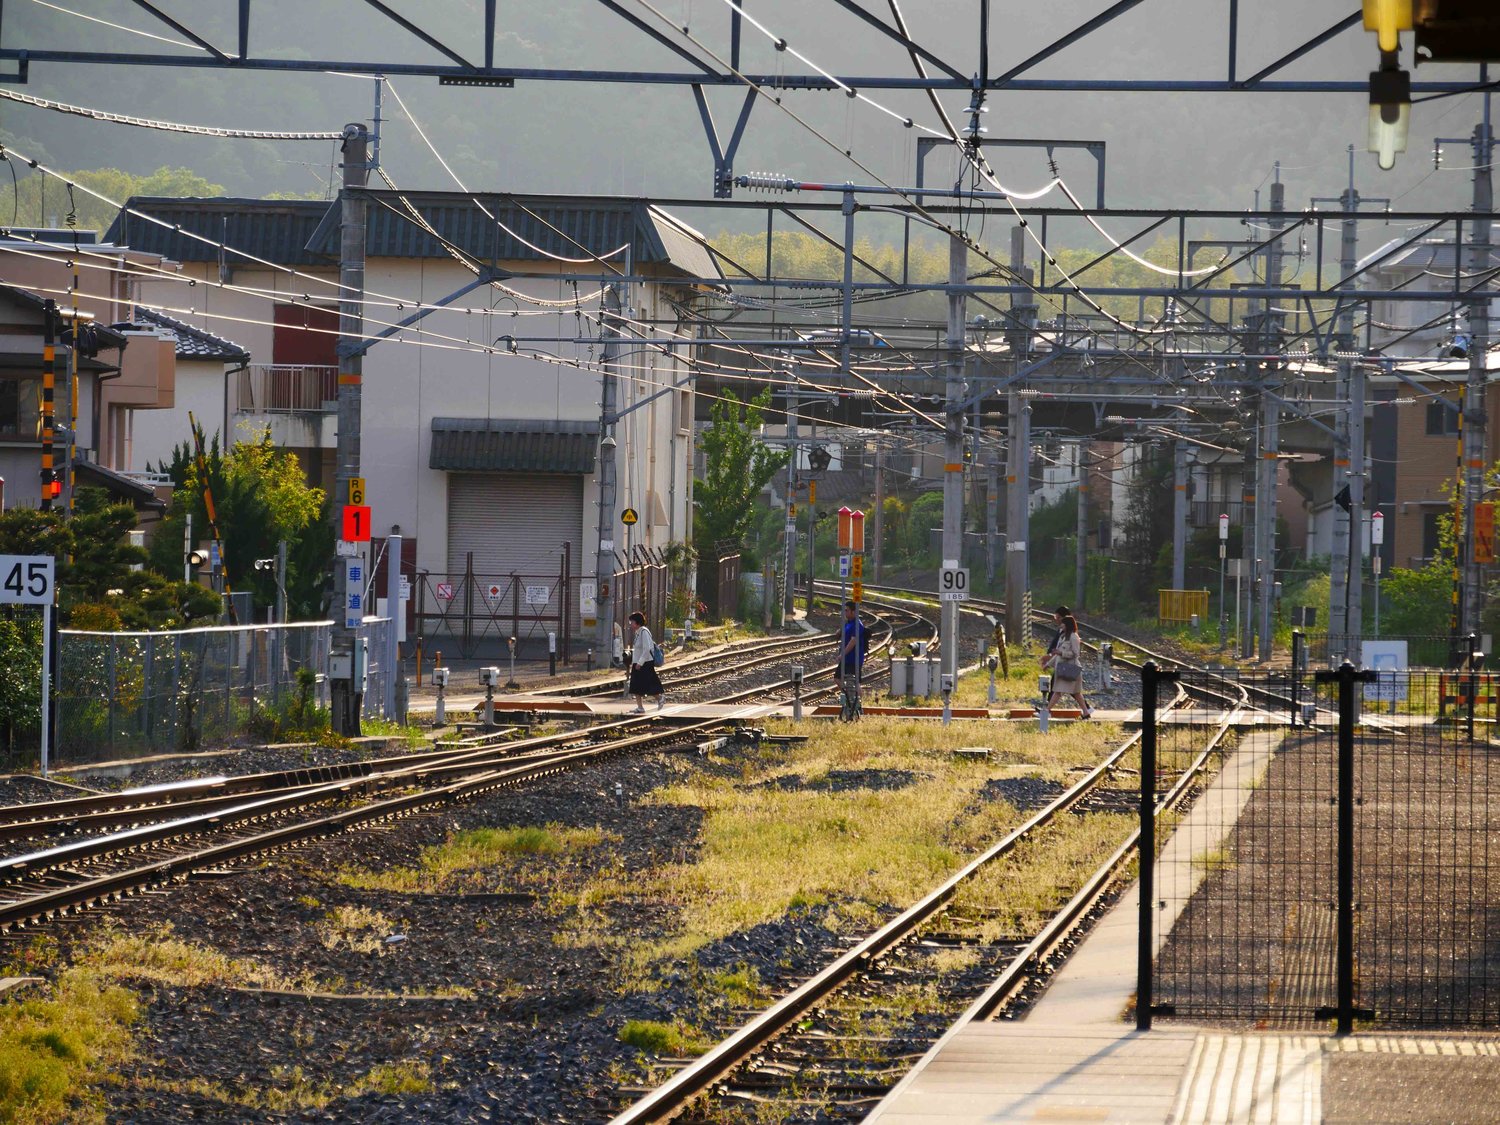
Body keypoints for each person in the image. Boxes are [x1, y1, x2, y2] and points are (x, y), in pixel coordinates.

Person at [1042, 613, 1092, 718]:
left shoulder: (1074, 637)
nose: (1061, 626)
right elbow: (1057, 654)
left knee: (1058, 691)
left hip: (1070, 668)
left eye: (1063, 624)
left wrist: (1061, 653)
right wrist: (1048, 664)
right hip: (1063, 668)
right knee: (1076, 693)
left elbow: (1076, 654)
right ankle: (1086, 712)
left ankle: (1046, 712)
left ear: (1068, 625)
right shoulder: (1063, 637)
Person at [627, 610, 664, 712]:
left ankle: (660, 698)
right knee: (635, 685)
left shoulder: (644, 632)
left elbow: (647, 648)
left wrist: (640, 663)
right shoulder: (637, 633)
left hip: (645, 663)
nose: (631, 624)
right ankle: (640, 707)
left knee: (648, 684)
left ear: (637, 622)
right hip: (637, 663)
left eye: (632, 622)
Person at [837, 600, 870, 705]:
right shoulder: (849, 623)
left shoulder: (857, 625)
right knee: (837, 678)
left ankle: (859, 704)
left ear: (853, 612)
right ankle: (849, 698)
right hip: (847, 658)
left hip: (854, 658)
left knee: (856, 683)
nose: (845, 613)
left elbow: (853, 641)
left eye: (847, 610)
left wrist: (843, 654)